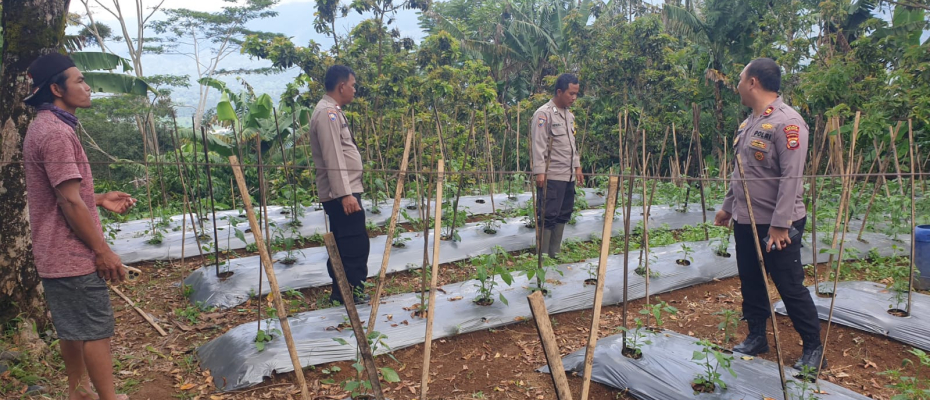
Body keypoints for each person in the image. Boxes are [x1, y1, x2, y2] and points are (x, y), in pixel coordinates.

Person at [22, 53, 136, 400]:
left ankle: (79, 392)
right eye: (80, 81)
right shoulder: (57, 133)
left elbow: (64, 193)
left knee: (71, 328)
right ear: (57, 89)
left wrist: (97, 198)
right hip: (72, 253)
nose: (88, 87)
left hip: (52, 252)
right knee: (95, 330)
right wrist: (102, 251)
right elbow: (69, 202)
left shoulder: (43, 126)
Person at [714, 58, 825, 373]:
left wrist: (780, 226)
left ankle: (814, 348)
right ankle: (757, 336)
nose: (737, 86)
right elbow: (741, 172)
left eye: (740, 80)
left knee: (789, 284)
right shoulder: (749, 123)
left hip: (778, 224)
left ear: (753, 82)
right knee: (751, 280)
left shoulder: (788, 123)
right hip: (746, 219)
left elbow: (792, 178)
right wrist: (728, 206)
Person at [309, 65, 370, 304]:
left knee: (345, 242)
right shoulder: (327, 114)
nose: (355, 90)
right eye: (353, 85)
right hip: (342, 194)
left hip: (345, 191)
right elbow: (333, 156)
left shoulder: (332, 111)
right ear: (342, 86)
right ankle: (351, 293)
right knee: (354, 243)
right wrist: (345, 194)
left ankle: (343, 292)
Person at [530, 73, 584, 259]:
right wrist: (540, 172)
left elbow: (571, 144)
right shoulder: (544, 114)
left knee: (564, 213)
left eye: (576, 94)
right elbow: (538, 144)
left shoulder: (569, 116)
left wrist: (577, 166)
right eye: (571, 93)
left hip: (567, 175)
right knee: (548, 215)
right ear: (559, 92)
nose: (574, 98)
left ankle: (555, 253)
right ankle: (543, 256)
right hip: (551, 175)